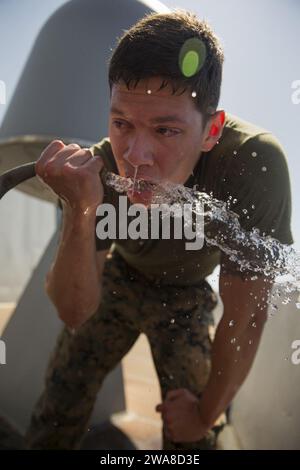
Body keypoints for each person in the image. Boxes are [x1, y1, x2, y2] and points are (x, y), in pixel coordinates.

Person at [25, 10, 293, 450]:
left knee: (194, 439)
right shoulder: (100, 169)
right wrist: (80, 209)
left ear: (212, 130)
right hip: (120, 277)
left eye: (166, 129)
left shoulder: (249, 164)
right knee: (58, 407)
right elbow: (74, 312)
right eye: (121, 123)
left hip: (186, 294)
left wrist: (205, 414)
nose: (136, 156)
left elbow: (246, 317)